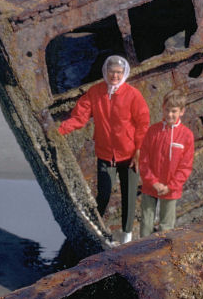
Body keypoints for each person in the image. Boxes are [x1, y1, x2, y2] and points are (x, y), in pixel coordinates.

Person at [58, 55, 149, 244]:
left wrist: (139, 150)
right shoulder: (95, 92)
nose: (115, 75)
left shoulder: (133, 95)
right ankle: (96, 231)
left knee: (129, 197)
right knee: (104, 194)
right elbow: (80, 118)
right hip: (105, 154)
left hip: (130, 154)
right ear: (105, 72)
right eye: (111, 71)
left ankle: (127, 237)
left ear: (124, 73)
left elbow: (143, 123)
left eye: (118, 72)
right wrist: (58, 131)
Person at [138, 89, 194, 238]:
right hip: (150, 186)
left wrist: (171, 186)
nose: (170, 114)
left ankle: (161, 256)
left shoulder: (187, 135)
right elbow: (143, 160)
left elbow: (185, 166)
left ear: (182, 111)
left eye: (174, 111)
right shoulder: (153, 131)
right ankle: (142, 256)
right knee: (146, 224)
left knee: (166, 226)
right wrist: (153, 182)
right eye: (167, 110)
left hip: (171, 188)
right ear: (162, 108)